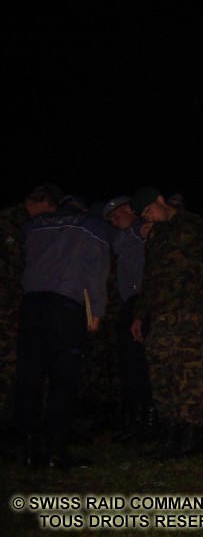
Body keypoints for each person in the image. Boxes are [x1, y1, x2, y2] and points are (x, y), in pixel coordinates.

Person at [16, 194, 110, 468]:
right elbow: (97, 271)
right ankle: (56, 452)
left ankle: (30, 450)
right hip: (64, 306)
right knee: (64, 380)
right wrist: (97, 312)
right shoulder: (91, 224)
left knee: (31, 379)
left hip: (31, 305)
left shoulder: (35, 224)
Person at [129, 187, 203, 460]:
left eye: (149, 210)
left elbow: (182, 250)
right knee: (162, 374)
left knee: (189, 373)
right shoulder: (156, 236)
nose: (148, 217)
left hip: (190, 310)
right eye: (144, 216)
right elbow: (150, 277)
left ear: (160, 201)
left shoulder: (189, 222)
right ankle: (170, 431)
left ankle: (193, 432)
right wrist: (140, 314)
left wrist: (156, 230)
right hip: (161, 314)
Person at [0, 184, 61, 436]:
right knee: (6, 364)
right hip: (6, 307)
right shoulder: (9, 223)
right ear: (44, 202)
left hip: (16, 306)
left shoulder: (25, 224)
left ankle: (14, 423)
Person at [102, 196, 159, 444]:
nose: (114, 222)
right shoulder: (121, 236)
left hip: (145, 301)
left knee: (143, 363)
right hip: (129, 303)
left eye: (116, 216)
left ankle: (151, 420)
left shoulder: (144, 228)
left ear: (129, 210)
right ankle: (137, 419)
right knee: (130, 364)